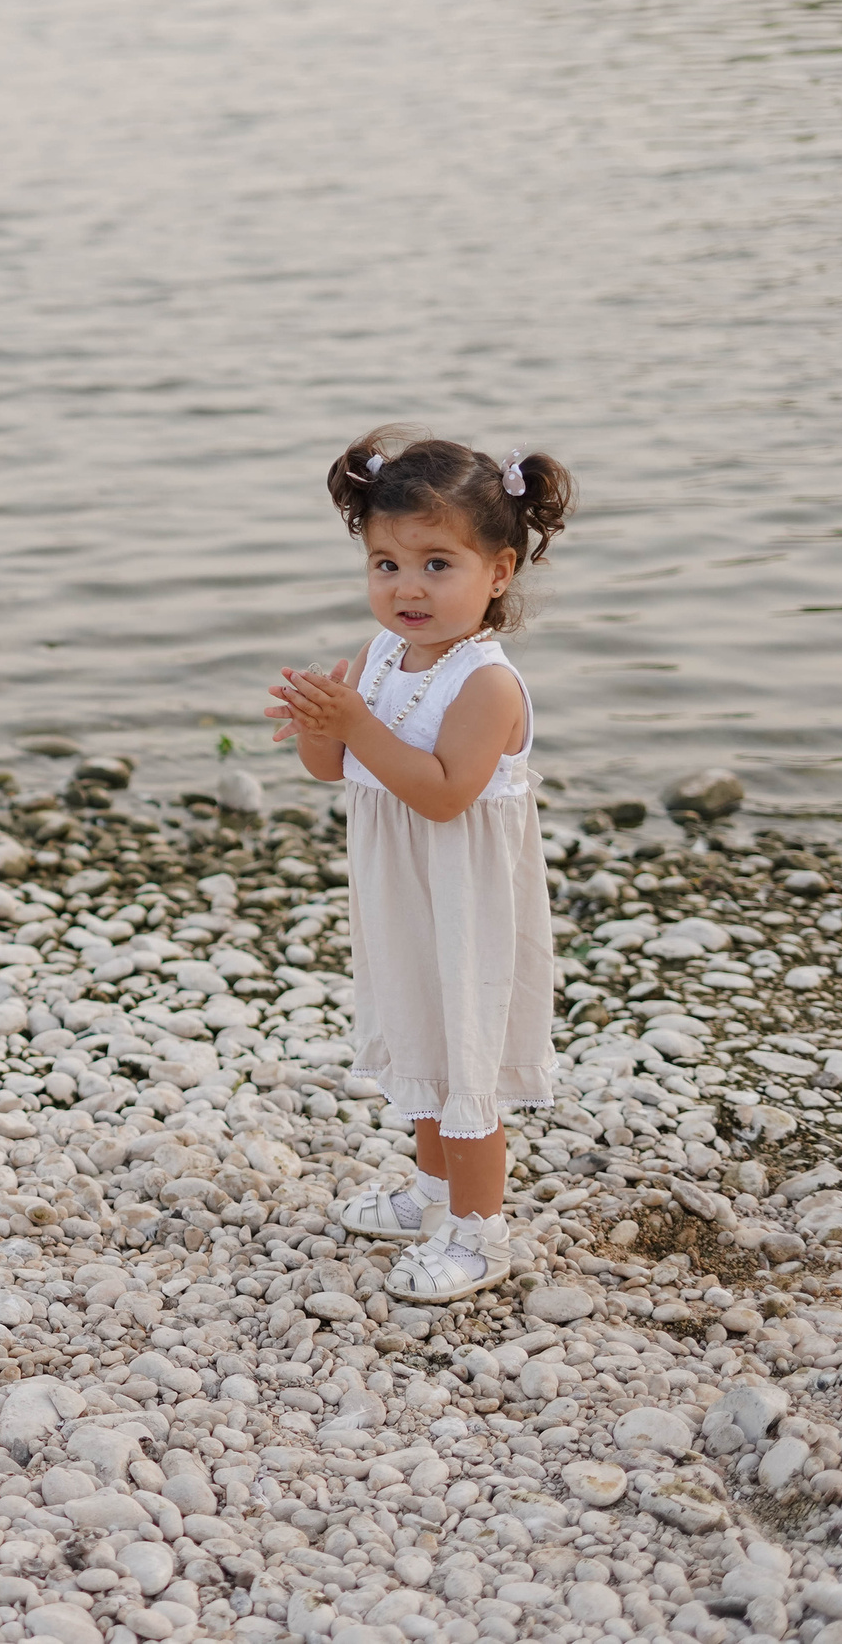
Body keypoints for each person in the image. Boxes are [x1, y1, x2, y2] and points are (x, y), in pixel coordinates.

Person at [263, 426, 575, 1305]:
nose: (408, 587)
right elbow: (333, 770)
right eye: (386, 564)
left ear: (499, 573)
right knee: (418, 1037)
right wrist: (322, 723)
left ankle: (481, 1232)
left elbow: (443, 793)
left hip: (467, 901)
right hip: (402, 894)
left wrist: (359, 725)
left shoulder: (486, 682)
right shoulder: (382, 658)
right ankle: (433, 1195)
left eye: (438, 564)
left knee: (464, 1049)